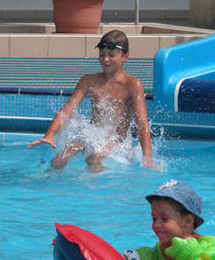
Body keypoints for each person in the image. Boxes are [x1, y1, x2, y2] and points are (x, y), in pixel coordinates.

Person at [27, 30, 154, 171]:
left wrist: (147, 161)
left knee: (93, 159)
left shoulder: (132, 84)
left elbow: (142, 124)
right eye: (102, 54)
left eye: (111, 55)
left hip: (117, 142)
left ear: (125, 56)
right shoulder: (89, 80)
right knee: (59, 159)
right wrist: (49, 134)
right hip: (93, 136)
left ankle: (98, 184)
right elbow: (66, 111)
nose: (105, 59)